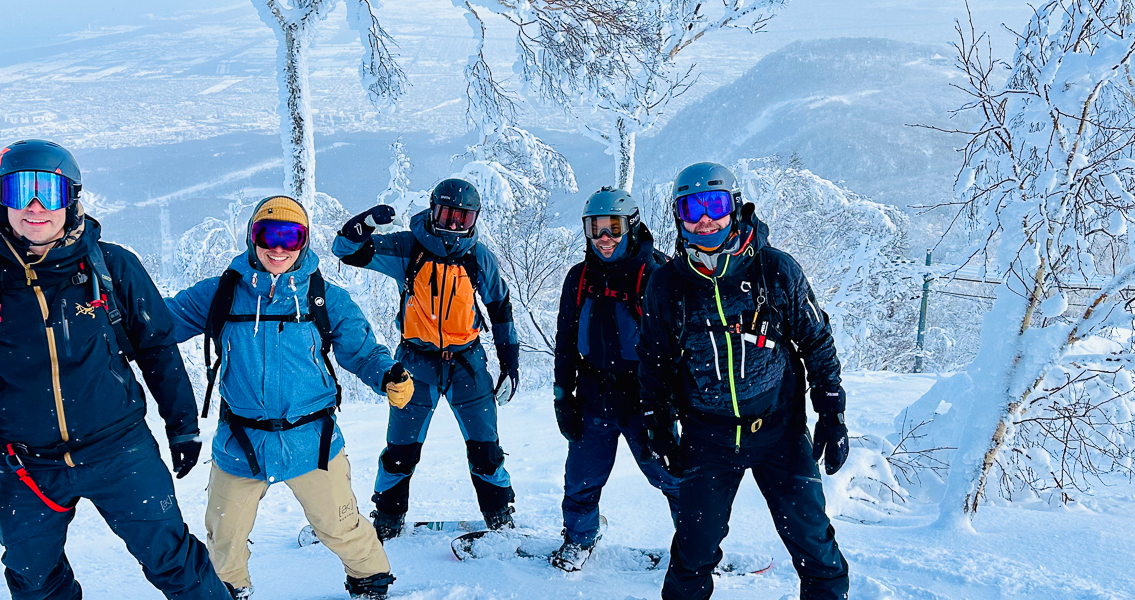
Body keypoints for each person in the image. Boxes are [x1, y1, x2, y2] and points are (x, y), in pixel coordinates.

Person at [0, 139, 229, 600]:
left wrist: (182, 425)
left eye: (47, 191)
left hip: (120, 450)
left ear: (69, 198)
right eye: (18, 190)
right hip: (28, 465)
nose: (33, 206)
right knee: (34, 581)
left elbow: (157, 348)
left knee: (175, 561)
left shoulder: (112, 268)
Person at [165, 195, 411, 600]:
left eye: (290, 237)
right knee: (224, 538)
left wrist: (387, 375)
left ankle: (371, 584)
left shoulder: (325, 298)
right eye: (268, 235)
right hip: (241, 442)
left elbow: (362, 351)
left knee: (341, 526)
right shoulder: (222, 295)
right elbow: (158, 321)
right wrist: (101, 315)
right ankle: (229, 593)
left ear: (304, 242)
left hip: (312, 440)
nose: (278, 248)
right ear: (252, 237)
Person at [638, 162, 852, 600]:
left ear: (735, 207)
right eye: (691, 208)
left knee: (814, 543)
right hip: (708, 437)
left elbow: (816, 342)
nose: (704, 220)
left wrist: (831, 411)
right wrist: (658, 424)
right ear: (677, 216)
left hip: (779, 431)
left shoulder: (775, 271)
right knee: (693, 552)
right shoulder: (667, 286)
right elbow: (654, 362)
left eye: (714, 205)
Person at [332, 178, 520, 540]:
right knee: (400, 450)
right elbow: (347, 251)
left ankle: (499, 513)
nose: (453, 225)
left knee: (486, 448)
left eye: (462, 219)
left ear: (474, 219)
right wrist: (363, 225)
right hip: (416, 365)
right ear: (433, 210)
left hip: (468, 364)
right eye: (447, 214)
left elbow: (500, 308)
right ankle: (387, 515)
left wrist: (509, 363)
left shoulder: (478, 256)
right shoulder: (409, 247)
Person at [550, 187, 680, 571]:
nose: (604, 238)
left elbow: (678, 346)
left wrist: (672, 405)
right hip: (594, 393)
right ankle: (579, 538)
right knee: (581, 479)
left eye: (613, 228)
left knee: (670, 473)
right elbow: (565, 339)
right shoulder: (580, 277)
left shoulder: (657, 274)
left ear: (632, 226)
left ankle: (695, 543)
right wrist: (562, 394)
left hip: (646, 396)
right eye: (595, 229)